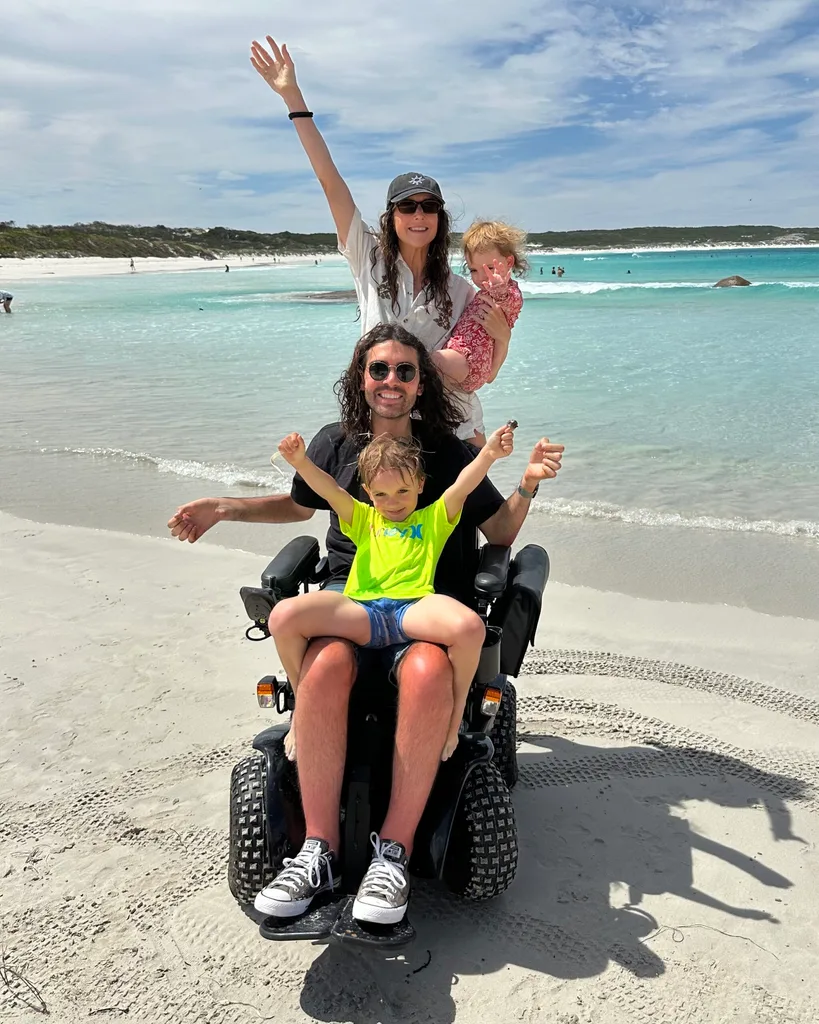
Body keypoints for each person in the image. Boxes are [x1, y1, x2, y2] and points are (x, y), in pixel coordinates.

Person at [167, 323, 564, 926]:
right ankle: (317, 849)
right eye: (380, 369)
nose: (392, 381)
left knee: (430, 668)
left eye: (405, 370)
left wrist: (527, 483)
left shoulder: (445, 450)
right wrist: (224, 506)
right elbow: (303, 503)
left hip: (427, 595)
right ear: (362, 376)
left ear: (421, 382)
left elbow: (499, 531)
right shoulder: (337, 443)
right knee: (324, 662)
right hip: (351, 593)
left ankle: (395, 854)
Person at [249, 35, 513, 442]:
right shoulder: (368, 258)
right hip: (383, 427)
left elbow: (484, 370)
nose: (419, 215)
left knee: (474, 509)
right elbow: (329, 181)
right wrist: (293, 98)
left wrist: (505, 335)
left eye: (429, 207)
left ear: (440, 219)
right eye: (407, 208)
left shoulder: (461, 290)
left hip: (452, 429)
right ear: (391, 219)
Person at [271, 421, 516, 764]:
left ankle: (453, 719)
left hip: (412, 610)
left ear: (419, 484)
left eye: (402, 491)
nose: (393, 503)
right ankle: (300, 712)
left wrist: (488, 453)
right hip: (363, 611)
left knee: (471, 628)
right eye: (382, 494)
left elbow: (463, 485)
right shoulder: (363, 519)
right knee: (282, 617)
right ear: (368, 492)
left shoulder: (433, 519)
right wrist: (300, 462)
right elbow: (329, 490)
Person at [432, 221, 526, 445]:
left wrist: (499, 287)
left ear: (508, 262)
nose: (482, 277)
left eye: (490, 269)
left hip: (470, 359)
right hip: (467, 362)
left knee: (428, 362)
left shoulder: (508, 292)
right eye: (474, 270)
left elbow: (510, 301)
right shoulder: (478, 292)